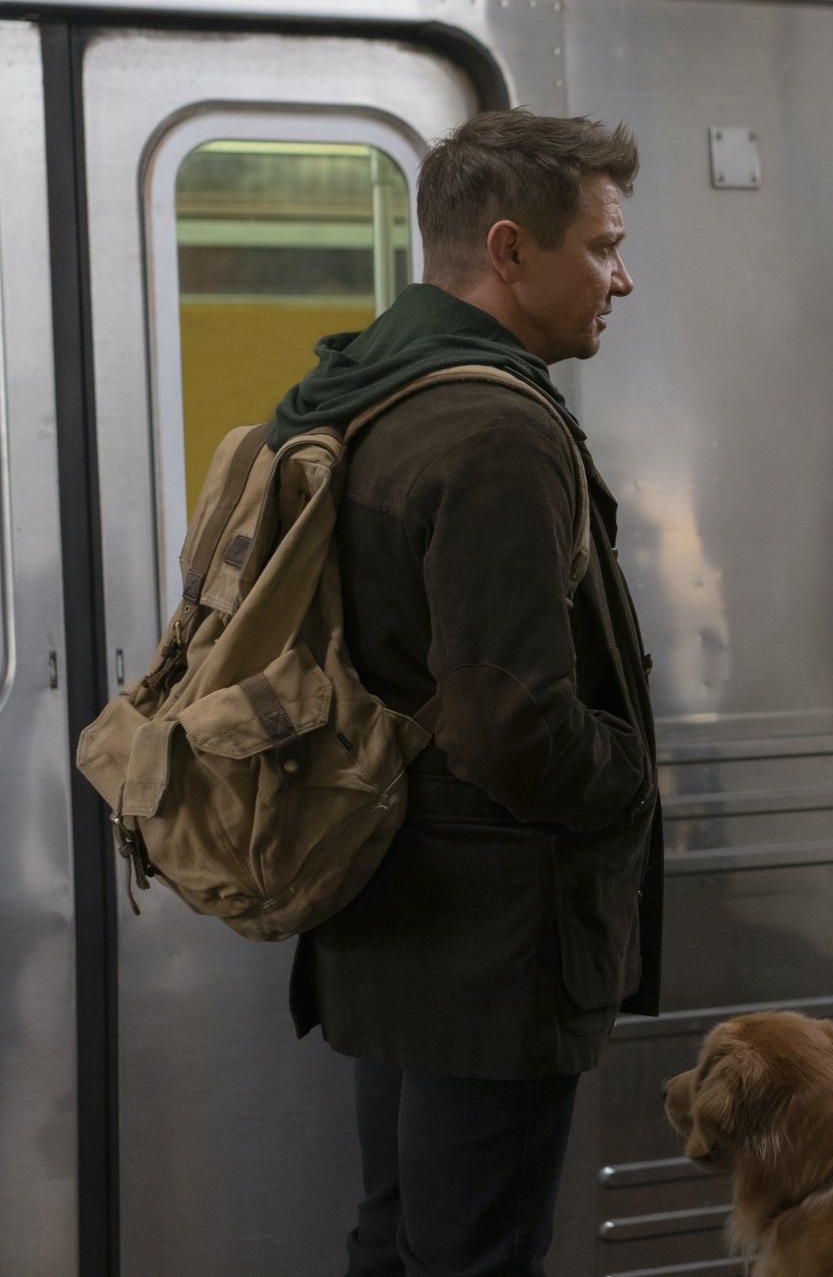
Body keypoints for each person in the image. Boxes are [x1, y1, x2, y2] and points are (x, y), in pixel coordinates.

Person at [276, 110, 662, 1277]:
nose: (621, 278)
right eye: (601, 247)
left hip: (390, 917)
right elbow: (508, 722)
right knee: (474, 1257)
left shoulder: (363, 390)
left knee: (400, 1241)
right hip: (489, 946)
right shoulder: (494, 429)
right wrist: (626, 778)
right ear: (508, 249)